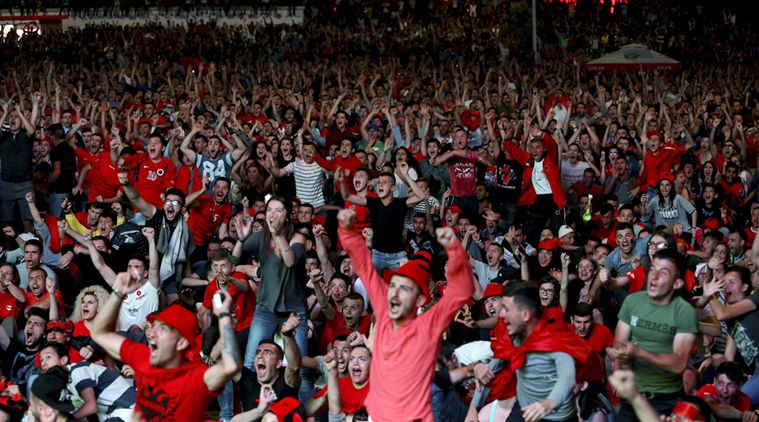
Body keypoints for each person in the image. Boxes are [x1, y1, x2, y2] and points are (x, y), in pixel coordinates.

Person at [337, 208, 474, 420]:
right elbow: (364, 266)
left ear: (420, 300)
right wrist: (347, 231)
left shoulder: (428, 324)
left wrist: (455, 250)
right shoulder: (383, 308)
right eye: (393, 285)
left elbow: (462, 290)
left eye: (405, 289)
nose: (394, 292)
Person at [90, 271, 241, 421]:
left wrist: (223, 316)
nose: (151, 333)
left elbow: (231, 366)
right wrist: (118, 293)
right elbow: (98, 333)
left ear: (181, 343)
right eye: (153, 327)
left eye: (162, 329)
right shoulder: (143, 357)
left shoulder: (196, 378)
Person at [609, 249, 699, 419]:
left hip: (666, 399)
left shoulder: (685, 312)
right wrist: (618, 365)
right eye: (652, 269)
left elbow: (679, 363)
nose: (654, 276)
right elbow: (618, 344)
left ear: (677, 283)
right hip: (632, 393)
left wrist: (639, 353)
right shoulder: (632, 301)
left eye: (663, 272)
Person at [339, 163, 427, 273]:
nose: (380, 185)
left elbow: (421, 196)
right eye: (379, 183)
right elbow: (346, 196)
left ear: (393, 187)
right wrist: (342, 181)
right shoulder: (372, 202)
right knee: (368, 283)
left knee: (408, 281)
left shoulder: (400, 203)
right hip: (377, 255)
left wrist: (406, 176)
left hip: (398, 255)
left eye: (385, 183)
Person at [37, 342, 136, 421]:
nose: (44, 364)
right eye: (41, 360)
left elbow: (91, 407)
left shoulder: (78, 371)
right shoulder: (62, 384)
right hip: (113, 413)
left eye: (48, 357)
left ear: (63, 360)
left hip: (131, 409)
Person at [238, 314, 302, 415]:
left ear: (278, 363)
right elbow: (229, 360)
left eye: (268, 352)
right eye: (258, 352)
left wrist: (287, 336)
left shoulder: (285, 383)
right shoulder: (248, 380)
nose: (260, 355)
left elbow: (294, 367)